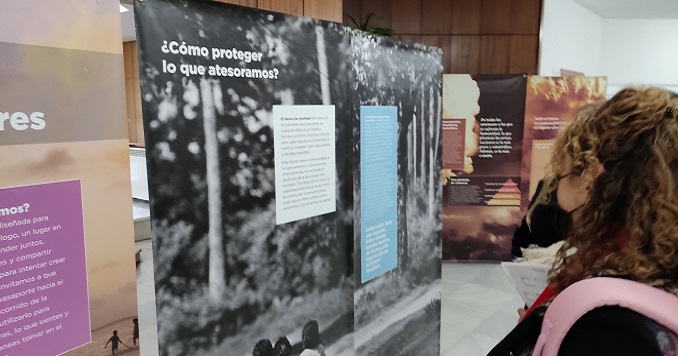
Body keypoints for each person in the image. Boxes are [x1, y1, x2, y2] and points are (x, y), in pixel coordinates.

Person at [489, 87, 678, 355]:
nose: (554, 188)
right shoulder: (646, 269)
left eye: (560, 175)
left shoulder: (608, 324)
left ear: (594, 178)